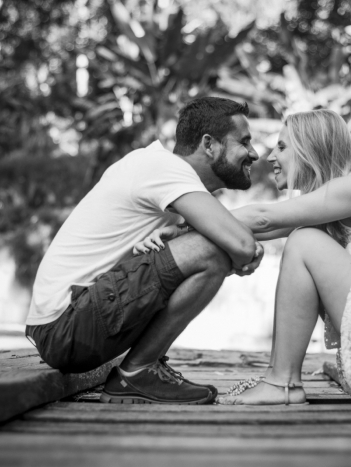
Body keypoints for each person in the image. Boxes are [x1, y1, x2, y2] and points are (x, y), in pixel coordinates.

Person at [135, 109, 351, 405]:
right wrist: (183, 234)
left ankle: (282, 382)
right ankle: (282, 380)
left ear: (310, 148)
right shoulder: (342, 198)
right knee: (302, 236)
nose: (271, 157)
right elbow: (254, 231)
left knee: (304, 241)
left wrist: (184, 224)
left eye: (282, 147)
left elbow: (262, 218)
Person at [25, 97, 264, 405]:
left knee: (210, 245)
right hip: (66, 325)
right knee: (211, 250)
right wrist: (239, 253)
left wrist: (233, 249)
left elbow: (239, 240)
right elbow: (240, 244)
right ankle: (137, 372)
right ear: (209, 144)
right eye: (244, 142)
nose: (254, 153)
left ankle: (141, 368)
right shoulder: (162, 168)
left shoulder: (163, 177)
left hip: (69, 322)